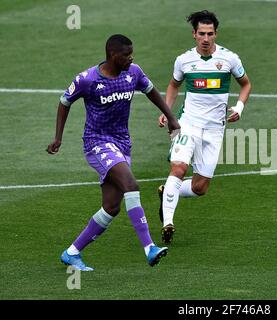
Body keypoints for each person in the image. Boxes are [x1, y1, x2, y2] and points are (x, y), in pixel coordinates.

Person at [47, 34, 180, 271]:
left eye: (132, 54)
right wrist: (58, 137)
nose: (131, 58)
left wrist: (170, 117)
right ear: (112, 55)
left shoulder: (133, 73)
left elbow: (151, 91)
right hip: (97, 143)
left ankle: (72, 253)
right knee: (131, 185)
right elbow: (64, 101)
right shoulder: (87, 79)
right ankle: (149, 247)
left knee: (111, 207)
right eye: (127, 55)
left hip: (122, 144)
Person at [157, 10, 252, 244]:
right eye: (202, 34)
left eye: (210, 34)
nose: (206, 39)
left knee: (200, 188)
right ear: (194, 34)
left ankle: (167, 192)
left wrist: (239, 107)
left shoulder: (230, 59)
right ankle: (168, 223)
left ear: (216, 34)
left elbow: (246, 84)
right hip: (187, 123)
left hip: (214, 129)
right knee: (178, 168)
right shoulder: (184, 60)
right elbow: (173, 86)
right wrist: (166, 112)